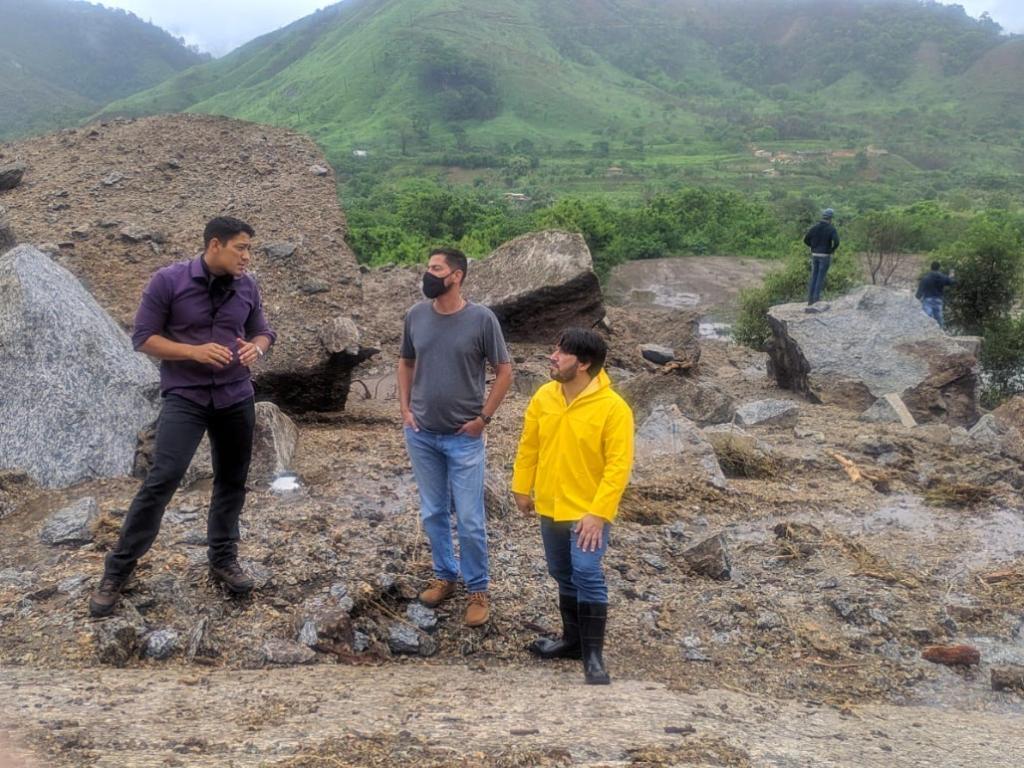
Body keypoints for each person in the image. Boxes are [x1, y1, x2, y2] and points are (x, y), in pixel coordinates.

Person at [89, 216, 276, 618]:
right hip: (185, 397)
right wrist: (194, 351)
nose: (247, 256)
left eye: (249, 249)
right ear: (215, 245)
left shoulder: (248, 286)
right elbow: (143, 338)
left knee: (232, 479)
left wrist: (256, 348)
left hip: (235, 396)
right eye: (241, 247)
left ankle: (223, 559)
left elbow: (264, 331)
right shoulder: (168, 281)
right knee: (164, 477)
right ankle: (117, 571)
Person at [511, 328, 634, 685]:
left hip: (588, 512)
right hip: (550, 505)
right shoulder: (544, 396)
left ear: (583, 364)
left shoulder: (614, 409)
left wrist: (598, 513)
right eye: (555, 349)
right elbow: (529, 445)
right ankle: (572, 642)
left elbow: (618, 466)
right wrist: (521, 487)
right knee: (562, 572)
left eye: (562, 352)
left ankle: (593, 656)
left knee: (586, 571)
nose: (553, 356)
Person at [398, 247, 513, 627]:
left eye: (436, 268)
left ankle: (477, 589)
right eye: (427, 267)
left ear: (457, 275)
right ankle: (445, 575)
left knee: (469, 518)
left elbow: (504, 370)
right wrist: (405, 409)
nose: (428, 274)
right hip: (422, 435)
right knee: (433, 512)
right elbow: (406, 362)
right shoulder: (416, 316)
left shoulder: (481, 319)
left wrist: (484, 419)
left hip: (464, 437)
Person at [803, 208, 840, 309]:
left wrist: (812, 247)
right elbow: (837, 242)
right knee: (820, 278)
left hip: (814, 255)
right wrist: (831, 250)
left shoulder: (814, 227)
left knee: (813, 277)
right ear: (831, 218)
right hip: (825, 256)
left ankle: (810, 301)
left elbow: (806, 240)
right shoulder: (831, 228)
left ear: (823, 216)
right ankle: (816, 301)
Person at [916, 261, 955, 328]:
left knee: (927, 317)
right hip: (938, 300)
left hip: (927, 299)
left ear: (931, 268)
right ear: (939, 268)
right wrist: (952, 274)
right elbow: (951, 282)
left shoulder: (925, 278)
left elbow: (919, 292)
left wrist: (917, 298)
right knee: (939, 318)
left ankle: (927, 330)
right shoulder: (943, 277)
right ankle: (941, 331)